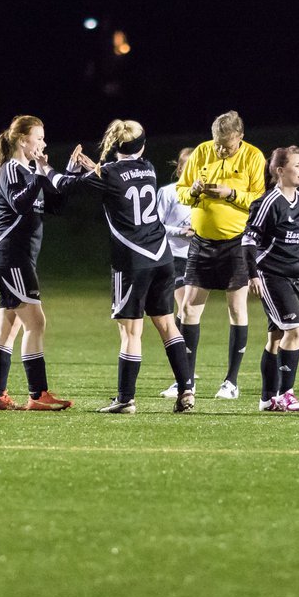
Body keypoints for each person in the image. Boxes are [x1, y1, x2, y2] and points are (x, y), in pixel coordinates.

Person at [67, 120, 198, 414]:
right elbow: (122, 178)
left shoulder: (109, 173)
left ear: (115, 145)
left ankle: (126, 399)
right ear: (142, 146)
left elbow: (67, 186)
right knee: (167, 325)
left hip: (133, 262)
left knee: (130, 332)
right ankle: (186, 390)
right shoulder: (149, 168)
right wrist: (95, 170)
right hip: (163, 258)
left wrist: (54, 168)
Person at [0, 114, 75, 411]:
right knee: (36, 322)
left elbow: (56, 205)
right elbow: (19, 203)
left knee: (9, 328)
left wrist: (65, 174)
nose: (44, 142)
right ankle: (38, 395)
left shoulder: (29, 171)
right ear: (23, 140)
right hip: (12, 257)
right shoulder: (12, 170)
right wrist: (37, 173)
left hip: (16, 259)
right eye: (39, 137)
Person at [176, 111, 266, 400]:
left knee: (237, 309)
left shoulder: (254, 157)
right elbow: (180, 192)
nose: (220, 149)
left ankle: (231, 381)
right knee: (188, 309)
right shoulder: (202, 152)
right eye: (217, 143)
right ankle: (186, 380)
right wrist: (193, 192)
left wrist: (229, 194)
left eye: (226, 145)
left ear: (239, 137)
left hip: (236, 243)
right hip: (202, 243)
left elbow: (260, 199)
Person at [243, 146, 299, 412]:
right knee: (295, 330)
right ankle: (286, 393)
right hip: (272, 275)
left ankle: (267, 399)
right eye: (296, 165)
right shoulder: (268, 203)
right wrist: (252, 275)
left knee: (276, 337)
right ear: (280, 170)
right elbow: (248, 240)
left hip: (296, 276)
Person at [156, 146, 195, 399]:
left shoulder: (202, 194)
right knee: (184, 311)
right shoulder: (168, 193)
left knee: (188, 312)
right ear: (180, 168)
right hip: (173, 258)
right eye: (189, 166)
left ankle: (185, 375)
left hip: (197, 258)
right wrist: (182, 232)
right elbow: (156, 224)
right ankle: (183, 376)